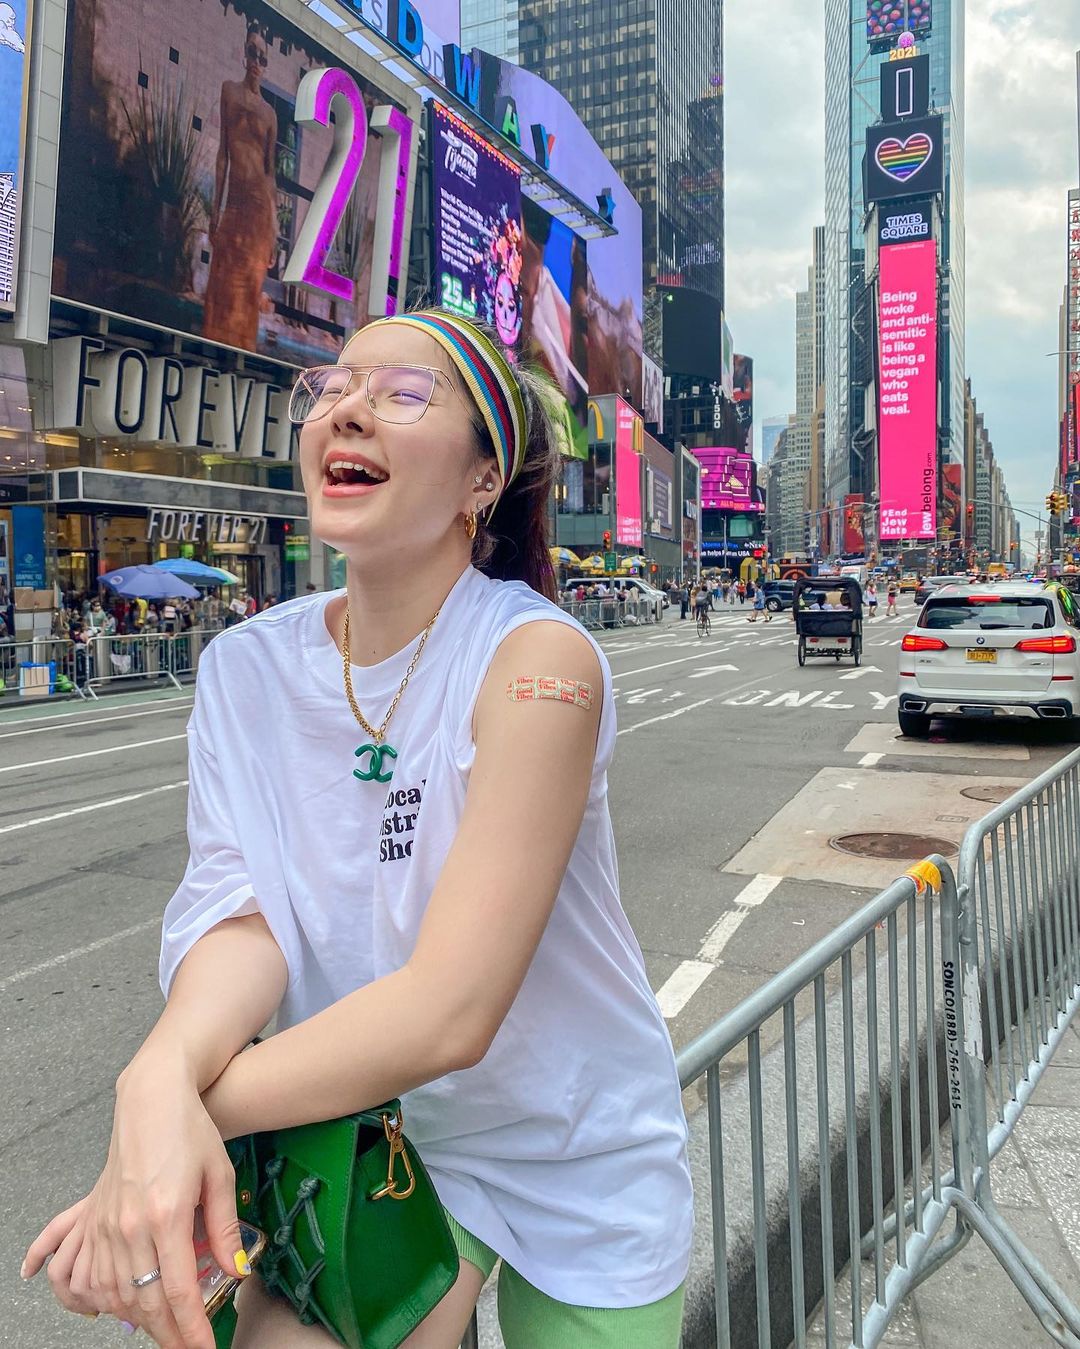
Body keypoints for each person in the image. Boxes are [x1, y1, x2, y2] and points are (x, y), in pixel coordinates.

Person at [24, 309, 693, 1348]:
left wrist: (175, 1118)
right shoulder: (242, 670)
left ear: (482, 479)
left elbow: (449, 1009)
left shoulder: (538, 663)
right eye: (332, 387)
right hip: (377, 1136)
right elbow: (242, 920)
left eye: (404, 394)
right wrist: (155, 1074)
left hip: (579, 1145)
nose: (348, 409)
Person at [202, 22, 278, 350]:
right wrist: (215, 210)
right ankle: (210, 348)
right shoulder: (229, 91)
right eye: (252, 53)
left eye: (263, 57)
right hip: (234, 202)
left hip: (259, 209)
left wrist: (274, 231)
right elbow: (223, 153)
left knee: (249, 287)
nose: (257, 62)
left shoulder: (270, 114)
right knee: (221, 279)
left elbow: (271, 174)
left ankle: (242, 353)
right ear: (244, 54)